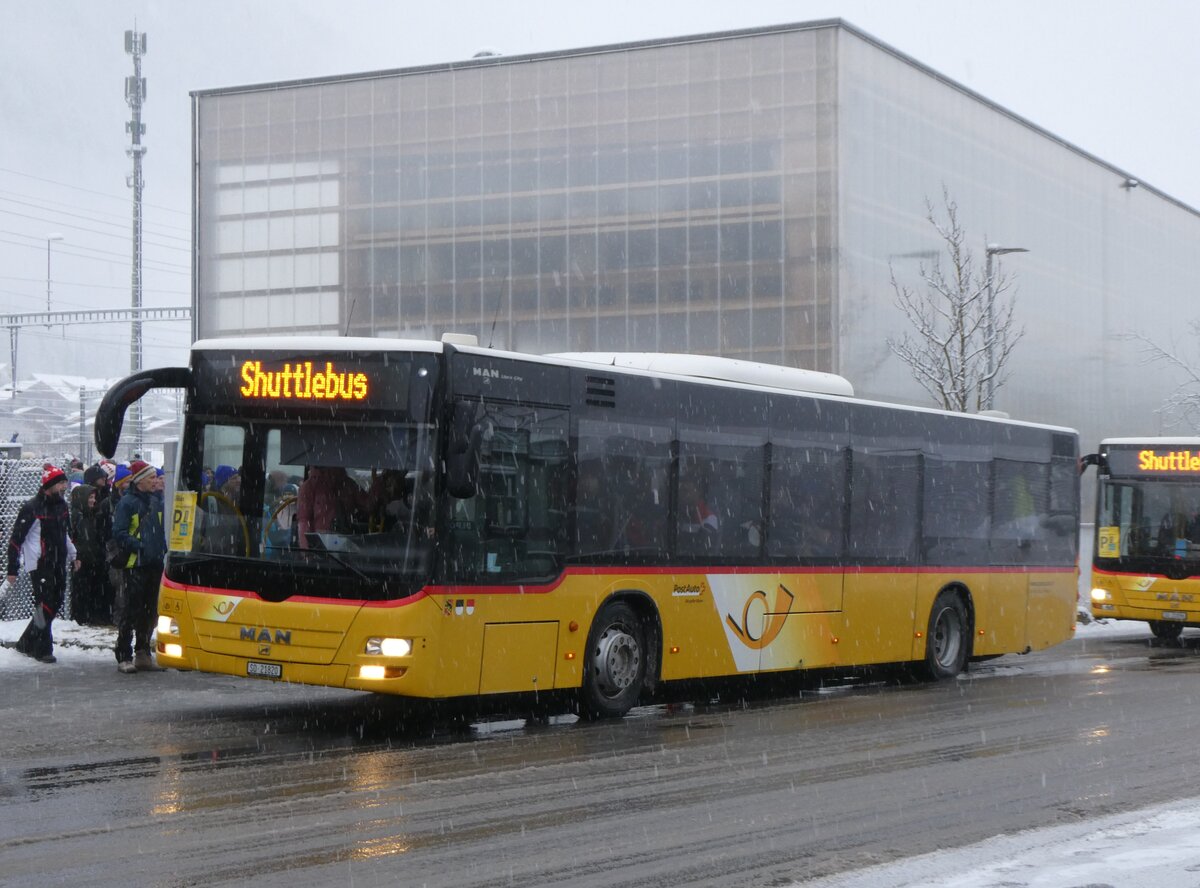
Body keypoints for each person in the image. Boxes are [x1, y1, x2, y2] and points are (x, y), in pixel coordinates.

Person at [6, 466, 81, 663]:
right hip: (40, 564)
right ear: (50, 486)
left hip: (58, 561)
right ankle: (42, 647)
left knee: (54, 603)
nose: (64, 486)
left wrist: (74, 555)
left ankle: (26, 641)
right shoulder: (32, 508)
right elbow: (16, 540)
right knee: (45, 604)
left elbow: (65, 535)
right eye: (61, 483)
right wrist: (12, 568)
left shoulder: (62, 506)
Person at [111, 459, 167, 674]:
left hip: (155, 564)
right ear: (140, 481)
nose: (155, 481)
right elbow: (119, 532)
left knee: (150, 611)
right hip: (136, 564)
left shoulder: (157, 500)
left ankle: (143, 652)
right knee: (131, 610)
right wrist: (140, 546)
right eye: (151, 477)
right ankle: (124, 654)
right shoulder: (127, 503)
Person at [69, 471, 111, 625]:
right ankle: (81, 617)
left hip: (93, 560)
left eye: (94, 497)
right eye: (90, 497)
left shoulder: (91, 515)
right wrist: (77, 555)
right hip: (82, 561)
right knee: (82, 592)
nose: (93, 500)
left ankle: (91, 616)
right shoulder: (77, 516)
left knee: (93, 590)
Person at [297, 465, 369, 547]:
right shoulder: (310, 486)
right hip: (321, 546)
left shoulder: (348, 485)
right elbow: (304, 521)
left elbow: (369, 505)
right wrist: (306, 551)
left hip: (345, 543)